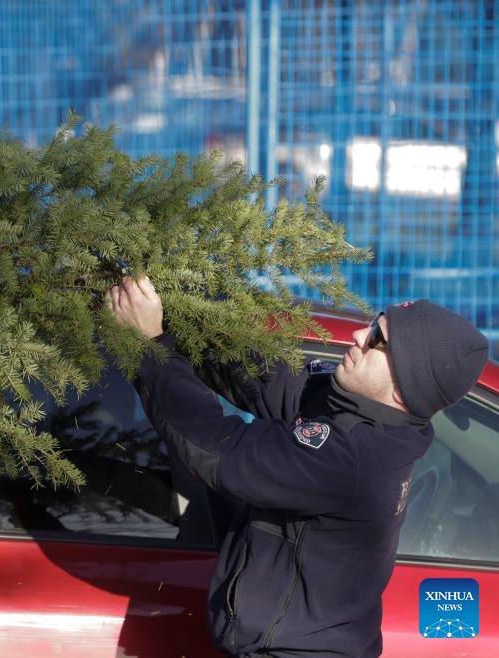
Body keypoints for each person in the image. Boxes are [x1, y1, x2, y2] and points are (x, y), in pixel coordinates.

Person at [108, 275, 488, 658]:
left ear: (405, 384)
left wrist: (149, 346)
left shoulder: (352, 457)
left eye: (377, 340)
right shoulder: (357, 411)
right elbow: (260, 378)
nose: (359, 336)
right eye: (373, 323)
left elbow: (216, 448)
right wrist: (179, 305)